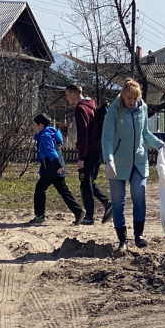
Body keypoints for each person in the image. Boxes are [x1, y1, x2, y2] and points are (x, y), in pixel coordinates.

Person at [101, 78, 165, 254]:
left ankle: (139, 236)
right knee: (118, 201)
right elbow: (106, 137)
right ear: (123, 95)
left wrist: (161, 146)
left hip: (138, 161)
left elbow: (145, 133)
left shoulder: (142, 108)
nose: (131, 102)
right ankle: (122, 239)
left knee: (139, 196)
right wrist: (109, 160)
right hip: (117, 161)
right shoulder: (114, 111)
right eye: (128, 98)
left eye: (134, 98)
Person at [65, 84, 112, 226]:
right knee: (89, 181)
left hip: (88, 152)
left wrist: (81, 157)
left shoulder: (80, 109)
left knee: (84, 181)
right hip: (97, 150)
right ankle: (107, 203)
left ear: (73, 94)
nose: (67, 99)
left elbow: (83, 134)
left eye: (67, 95)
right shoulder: (91, 105)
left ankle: (90, 215)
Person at [29, 113, 85, 225]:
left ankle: (40, 216)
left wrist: (58, 166)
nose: (34, 128)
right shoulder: (51, 134)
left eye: (35, 125)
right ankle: (78, 211)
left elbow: (51, 152)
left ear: (41, 125)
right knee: (63, 191)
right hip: (55, 167)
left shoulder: (45, 136)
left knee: (39, 189)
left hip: (51, 168)